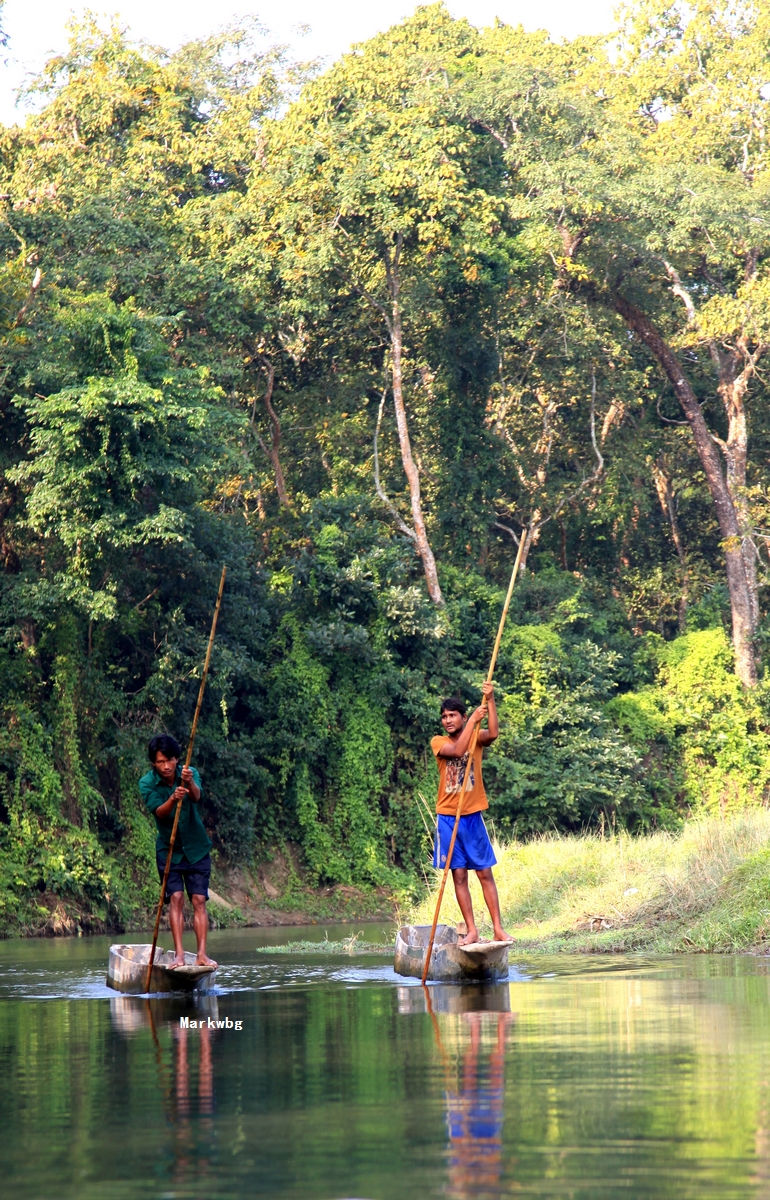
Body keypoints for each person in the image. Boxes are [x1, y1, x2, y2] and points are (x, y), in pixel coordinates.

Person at [431, 686, 512, 947]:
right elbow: (457, 752)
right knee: (459, 876)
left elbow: (495, 733)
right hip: (448, 818)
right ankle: (472, 930)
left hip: (472, 817)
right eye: (445, 717)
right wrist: (474, 722)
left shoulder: (476, 736)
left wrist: (490, 701)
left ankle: (498, 929)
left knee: (485, 873)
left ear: (462, 717)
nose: (448, 720)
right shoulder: (439, 742)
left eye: (453, 715)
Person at [140, 734, 217, 969]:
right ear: (153, 763)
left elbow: (197, 796)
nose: (165, 766)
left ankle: (202, 955)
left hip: (196, 848)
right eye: (160, 762)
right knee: (175, 898)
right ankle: (180, 956)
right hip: (169, 850)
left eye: (169, 760)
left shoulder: (189, 772)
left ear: (176, 759)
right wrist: (173, 798)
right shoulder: (147, 783)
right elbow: (159, 812)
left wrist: (190, 782)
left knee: (199, 899)